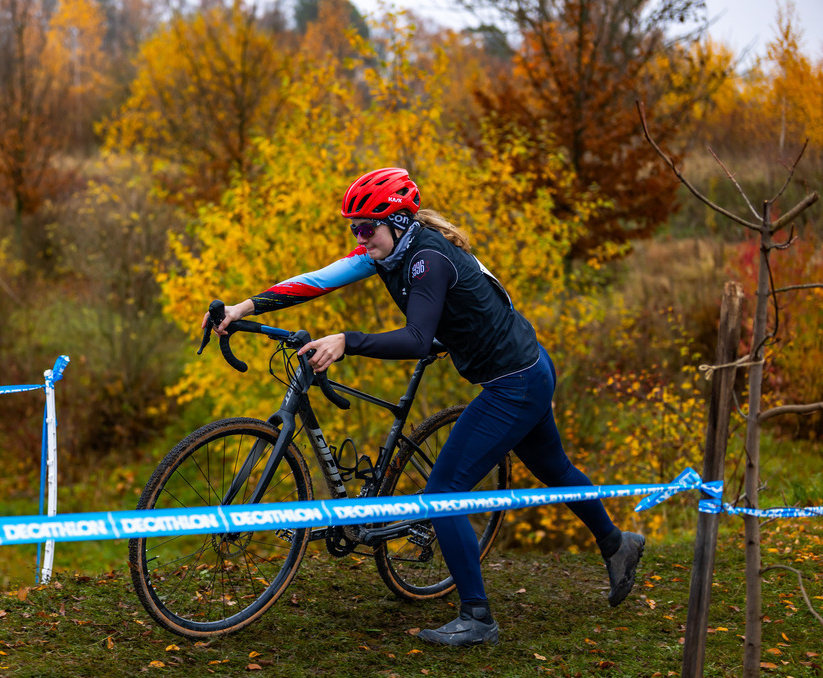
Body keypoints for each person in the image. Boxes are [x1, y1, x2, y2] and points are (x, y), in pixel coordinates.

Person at [204, 167, 645, 647]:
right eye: (354, 227)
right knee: (553, 468)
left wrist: (346, 341)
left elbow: (416, 339)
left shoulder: (426, 260)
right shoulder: (391, 250)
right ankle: (616, 543)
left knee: (443, 493)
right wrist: (243, 308)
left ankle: (478, 618)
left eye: (366, 227)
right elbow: (318, 280)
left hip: (513, 382)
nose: (359, 237)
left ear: (396, 221)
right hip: (529, 366)